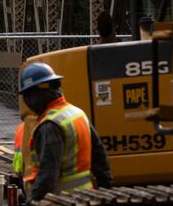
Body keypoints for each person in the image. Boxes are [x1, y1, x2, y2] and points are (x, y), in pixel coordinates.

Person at [18, 62, 112, 203]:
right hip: (86, 197)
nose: (28, 103)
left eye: (27, 96)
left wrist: (33, 200)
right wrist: (106, 189)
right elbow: (100, 156)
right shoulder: (77, 113)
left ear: (35, 94)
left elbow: (48, 174)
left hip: (62, 199)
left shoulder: (50, 125)